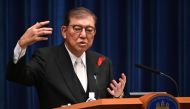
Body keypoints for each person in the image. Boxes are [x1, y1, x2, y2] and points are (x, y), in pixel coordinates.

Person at [7, 7, 126, 109]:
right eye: (77, 28)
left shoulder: (103, 62)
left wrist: (117, 97)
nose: (83, 35)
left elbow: (107, 102)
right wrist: (21, 45)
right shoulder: (46, 58)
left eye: (89, 30)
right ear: (64, 31)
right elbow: (18, 76)